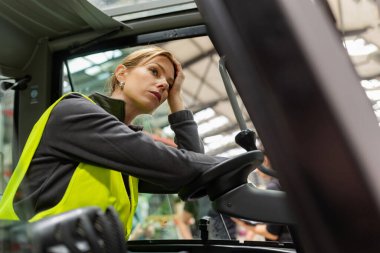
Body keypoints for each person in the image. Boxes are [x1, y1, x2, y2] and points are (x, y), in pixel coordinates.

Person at [0, 46, 226, 239]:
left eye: (168, 83)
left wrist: (176, 98)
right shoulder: (76, 112)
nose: (163, 85)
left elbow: (192, 176)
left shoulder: (124, 149)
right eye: (154, 71)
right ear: (121, 74)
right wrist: (228, 164)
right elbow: (187, 165)